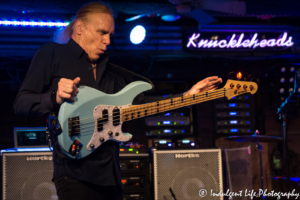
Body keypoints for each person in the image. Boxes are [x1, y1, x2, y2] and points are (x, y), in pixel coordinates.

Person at [13, 2, 222, 200]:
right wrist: (54, 97)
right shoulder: (53, 53)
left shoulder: (111, 72)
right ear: (79, 28)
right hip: (73, 173)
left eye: (110, 35)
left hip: (110, 176)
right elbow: (21, 103)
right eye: (101, 33)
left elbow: (144, 104)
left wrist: (187, 97)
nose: (108, 41)